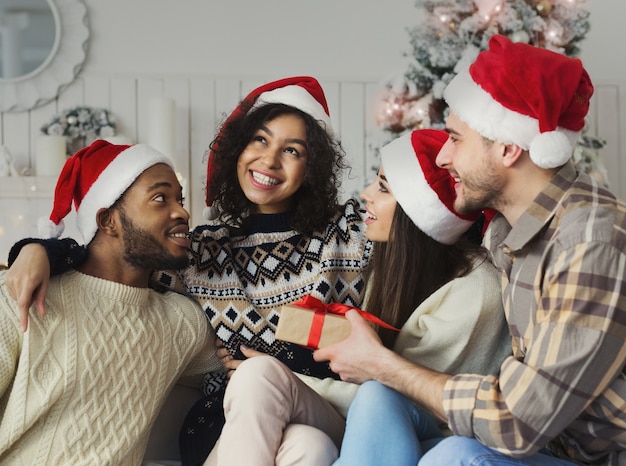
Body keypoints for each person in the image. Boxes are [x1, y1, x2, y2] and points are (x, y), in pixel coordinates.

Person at [5, 76, 373, 464]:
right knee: (309, 446)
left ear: (312, 168)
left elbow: (419, 225)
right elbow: (113, 260)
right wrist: (38, 248)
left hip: (324, 404)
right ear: (239, 148)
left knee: (261, 379)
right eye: (260, 140)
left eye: (293, 150)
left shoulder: (346, 233)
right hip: (236, 423)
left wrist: (279, 361)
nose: (269, 159)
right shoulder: (201, 252)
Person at [314, 34, 626, 465]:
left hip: (585, 455)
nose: (442, 157)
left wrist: (381, 362)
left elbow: (518, 423)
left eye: (456, 139)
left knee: (454, 455)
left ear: (508, 147)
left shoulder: (589, 241)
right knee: (378, 399)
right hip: (536, 444)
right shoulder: (507, 231)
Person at [207, 128, 511, 465]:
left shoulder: (475, 288)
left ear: (417, 209)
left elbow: (395, 399)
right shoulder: (392, 266)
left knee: (260, 375)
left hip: (422, 435)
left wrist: (289, 377)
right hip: (368, 418)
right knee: (305, 442)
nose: (365, 195)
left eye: (382, 187)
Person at [0, 139, 220, 464]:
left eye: (180, 199)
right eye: (160, 198)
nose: (182, 212)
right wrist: (36, 250)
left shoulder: (182, 323)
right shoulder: (21, 297)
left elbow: (239, 372)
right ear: (108, 221)